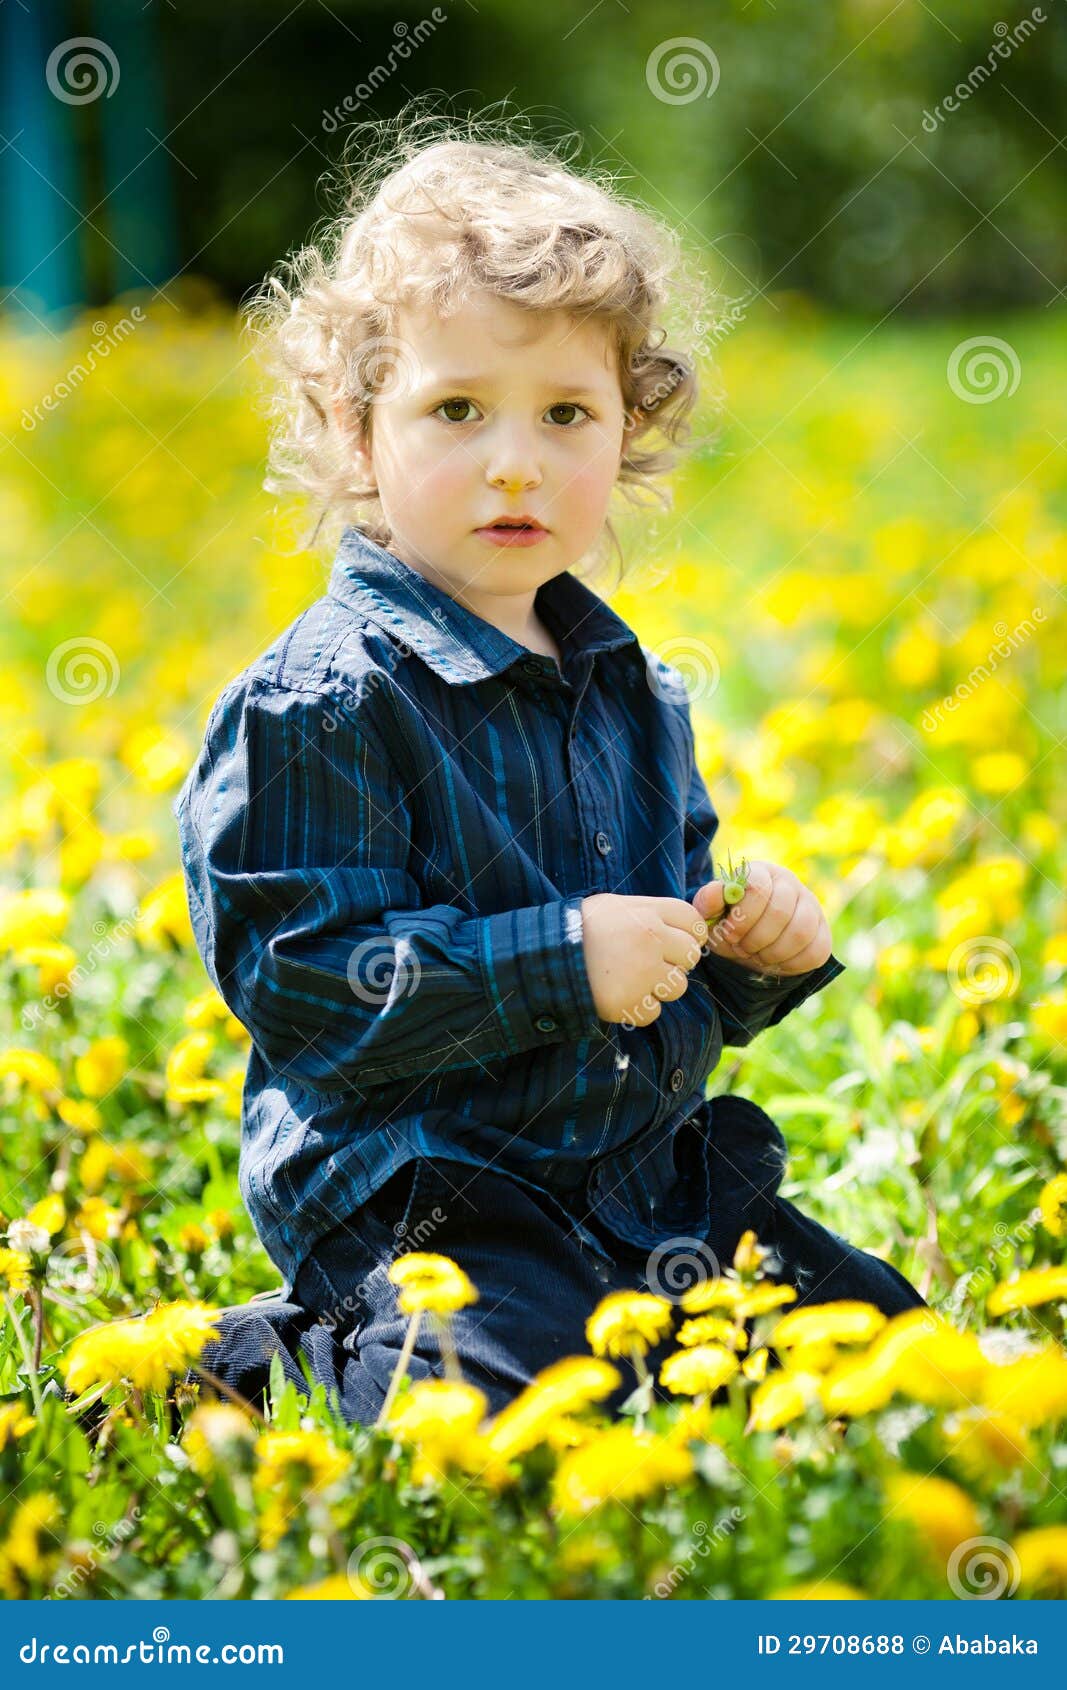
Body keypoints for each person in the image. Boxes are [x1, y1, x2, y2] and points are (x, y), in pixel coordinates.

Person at [173, 120, 925, 1422]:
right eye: (456, 410)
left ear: (628, 429)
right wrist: (559, 953)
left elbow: (660, 975)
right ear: (358, 434)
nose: (514, 458)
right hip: (432, 1199)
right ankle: (253, 1367)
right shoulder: (323, 699)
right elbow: (308, 990)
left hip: (632, 1182)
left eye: (566, 413)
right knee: (526, 1407)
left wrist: (745, 952)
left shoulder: (632, 687)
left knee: (883, 1347)